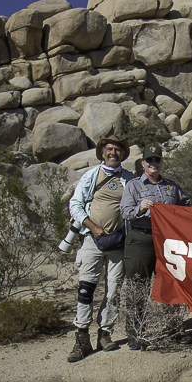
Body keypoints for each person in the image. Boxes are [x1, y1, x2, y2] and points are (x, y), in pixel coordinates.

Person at [67, 135, 135, 363]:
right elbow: (75, 204)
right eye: (109, 149)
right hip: (92, 240)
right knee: (86, 289)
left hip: (118, 242)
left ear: (123, 154)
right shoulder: (91, 175)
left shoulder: (129, 179)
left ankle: (105, 333)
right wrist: (93, 227)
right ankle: (81, 338)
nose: (113, 152)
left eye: (117, 149)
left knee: (114, 290)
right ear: (102, 152)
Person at [119, 144, 191, 350]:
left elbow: (185, 206)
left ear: (161, 163)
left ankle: (174, 329)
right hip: (141, 239)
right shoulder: (133, 186)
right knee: (137, 286)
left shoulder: (171, 186)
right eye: (149, 160)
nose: (153, 164)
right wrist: (139, 209)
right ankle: (135, 333)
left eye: (156, 160)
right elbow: (125, 212)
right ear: (142, 163)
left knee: (170, 284)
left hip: (166, 242)